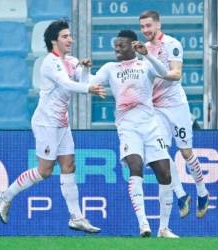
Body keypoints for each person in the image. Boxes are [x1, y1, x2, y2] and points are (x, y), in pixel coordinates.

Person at [0, 20, 105, 233]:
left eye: (70, 35)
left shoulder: (71, 60)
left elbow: (82, 79)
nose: (70, 39)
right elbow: (66, 84)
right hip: (46, 122)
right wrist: (88, 88)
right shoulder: (49, 63)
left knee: (69, 165)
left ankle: (76, 217)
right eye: (65, 36)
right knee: (45, 171)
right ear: (53, 41)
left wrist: (84, 70)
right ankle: (5, 196)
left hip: (62, 123)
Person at [90, 30, 178, 238]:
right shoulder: (110, 68)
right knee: (135, 167)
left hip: (150, 126)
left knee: (165, 174)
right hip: (128, 127)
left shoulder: (145, 64)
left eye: (121, 45)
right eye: (116, 45)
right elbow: (93, 82)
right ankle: (143, 225)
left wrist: (147, 54)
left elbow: (165, 72)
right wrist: (84, 72)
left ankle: (164, 228)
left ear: (132, 46)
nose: (117, 49)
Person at [139, 10, 209, 218]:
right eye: (142, 27)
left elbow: (176, 75)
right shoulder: (144, 51)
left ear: (158, 24)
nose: (145, 31)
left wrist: (148, 56)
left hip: (176, 106)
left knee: (186, 153)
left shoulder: (172, 44)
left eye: (148, 26)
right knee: (159, 153)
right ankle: (181, 195)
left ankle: (203, 192)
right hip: (157, 109)